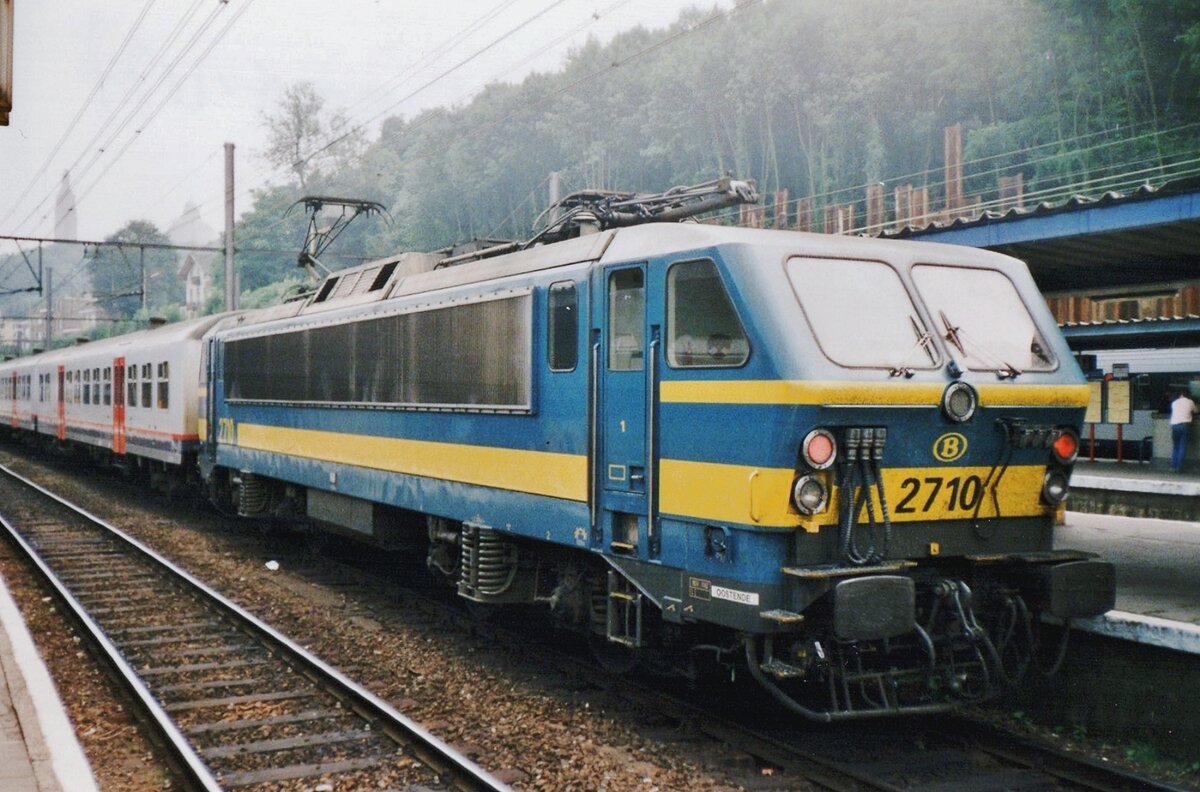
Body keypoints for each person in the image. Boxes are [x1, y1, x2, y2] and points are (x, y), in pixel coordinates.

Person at [1169, 390, 1196, 472]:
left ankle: (1173, 466)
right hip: (1185, 426)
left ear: (1180, 395)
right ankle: (1179, 467)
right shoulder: (1190, 402)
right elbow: (1196, 411)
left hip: (1175, 426)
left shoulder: (1174, 403)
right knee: (1182, 446)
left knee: (1176, 447)